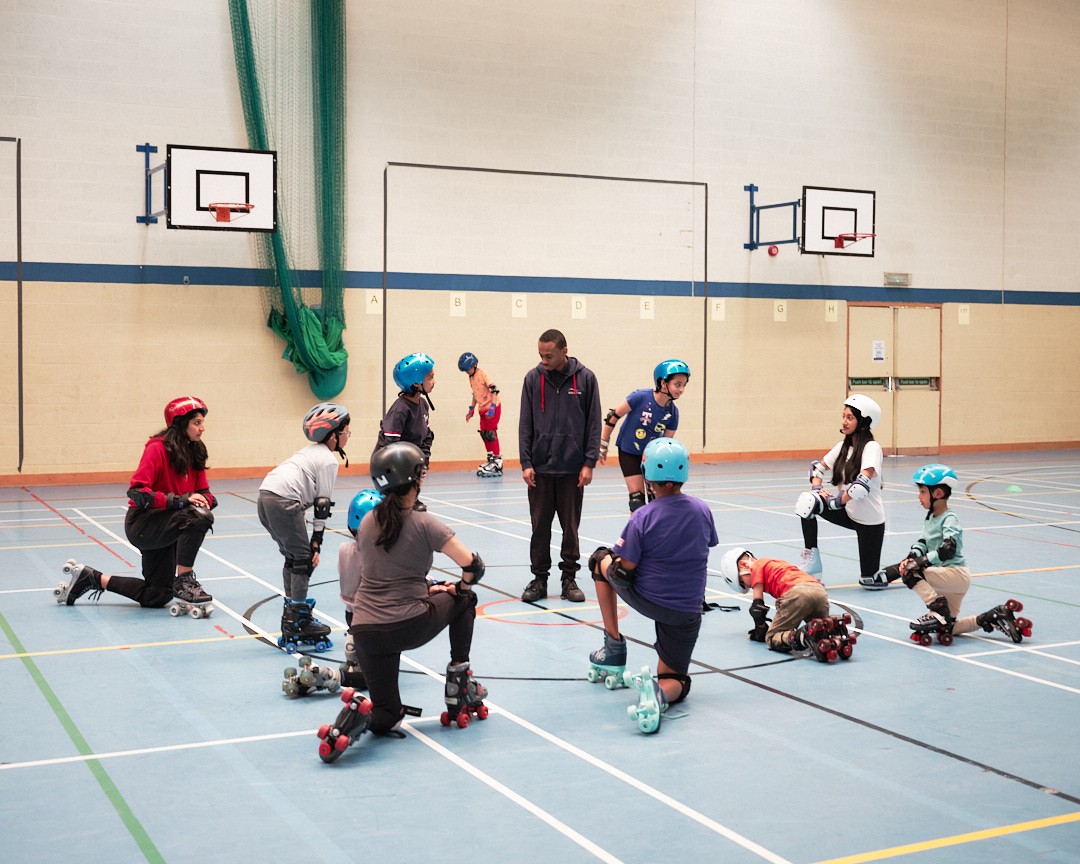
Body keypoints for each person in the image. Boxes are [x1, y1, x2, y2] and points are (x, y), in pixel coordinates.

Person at [316, 442, 489, 763]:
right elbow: (473, 567)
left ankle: (352, 721)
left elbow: (386, 573)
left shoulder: (367, 523)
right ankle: (459, 681)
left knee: (387, 716)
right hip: (407, 625)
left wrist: (426, 589)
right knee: (466, 599)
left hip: (365, 631)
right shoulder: (425, 524)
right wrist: (457, 588)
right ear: (416, 478)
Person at [586, 438, 717, 734]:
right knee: (676, 679)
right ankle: (657, 695)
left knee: (601, 562)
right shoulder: (702, 509)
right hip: (687, 611)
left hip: (651, 599)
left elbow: (624, 569)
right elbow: (705, 544)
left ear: (648, 477)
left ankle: (614, 649)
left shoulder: (644, 516)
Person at [55, 396, 216, 613]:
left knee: (156, 596)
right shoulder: (157, 449)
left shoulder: (195, 450)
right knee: (197, 515)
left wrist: (205, 499)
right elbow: (137, 491)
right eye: (197, 422)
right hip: (144, 524)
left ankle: (91, 578)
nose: (202, 428)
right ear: (180, 423)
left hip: (171, 522)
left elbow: (204, 491)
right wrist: (180, 501)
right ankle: (185, 581)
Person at [861, 464, 1034, 645]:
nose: (919, 497)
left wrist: (920, 562)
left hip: (955, 574)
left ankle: (938, 608)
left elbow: (948, 548)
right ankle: (992, 616)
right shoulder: (931, 518)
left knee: (912, 573)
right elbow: (923, 543)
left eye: (922, 492)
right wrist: (910, 558)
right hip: (949, 579)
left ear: (937, 494)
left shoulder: (950, 518)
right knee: (948, 627)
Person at [259, 402, 351, 653]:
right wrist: (316, 543)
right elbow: (322, 506)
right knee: (302, 561)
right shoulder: (327, 461)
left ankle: (292, 615)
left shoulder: (309, 452)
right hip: (283, 501)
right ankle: (298, 620)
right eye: (346, 431)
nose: (347, 436)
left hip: (265, 497)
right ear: (333, 435)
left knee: (293, 559)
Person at [518, 329, 602, 603]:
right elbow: (525, 423)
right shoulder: (532, 379)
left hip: (571, 470)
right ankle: (539, 579)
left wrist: (588, 462)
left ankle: (569, 579)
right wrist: (526, 462)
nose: (544, 360)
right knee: (539, 527)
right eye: (540, 355)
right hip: (540, 470)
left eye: (549, 355)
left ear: (564, 351)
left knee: (570, 527)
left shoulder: (586, 379)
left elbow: (593, 423)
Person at [281, 488, 382, 698]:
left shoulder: (345, 549)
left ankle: (351, 654)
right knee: (377, 674)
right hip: (374, 621)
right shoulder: (380, 556)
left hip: (352, 617)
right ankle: (333, 675)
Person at [795, 394, 885, 586]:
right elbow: (816, 469)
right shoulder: (842, 447)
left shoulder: (872, 447)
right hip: (848, 512)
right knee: (808, 502)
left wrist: (836, 502)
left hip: (870, 521)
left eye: (850, 417)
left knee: (869, 580)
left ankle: (906, 569)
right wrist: (818, 490)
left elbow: (860, 487)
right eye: (843, 416)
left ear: (863, 421)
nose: (844, 421)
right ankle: (813, 569)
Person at [719, 548, 856, 662]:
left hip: (797, 594)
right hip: (819, 591)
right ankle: (835, 630)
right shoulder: (778, 563)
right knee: (820, 627)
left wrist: (760, 628)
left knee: (773, 638)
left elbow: (757, 607)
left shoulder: (757, 566)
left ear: (743, 565)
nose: (747, 586)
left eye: (742, 582)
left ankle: (804, 637)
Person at [599, 359, 690, 512]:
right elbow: (613, 417)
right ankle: (635, 535)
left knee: (657, 501)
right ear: (662, 383)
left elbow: (666, 444)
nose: (681, 389)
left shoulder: (673, 413)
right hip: (629, 452)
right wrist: (603, 444)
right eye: (677, 384)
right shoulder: (640, 397)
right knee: (637, 501)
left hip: (650, 457)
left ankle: (657, 534)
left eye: (684, 385)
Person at [373, 352, 435, 511]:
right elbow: (390, 446)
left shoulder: (422, 404)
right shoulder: (400, 410)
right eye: (430, 377)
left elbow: (426, 435)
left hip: (407, 458)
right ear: (416, 384)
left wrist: (423, 459)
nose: (434, 381)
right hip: (388, 462)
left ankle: (411, 498)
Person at [459, 351, 503, 478]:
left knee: (491, 433)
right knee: (484, 434)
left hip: (492, 407)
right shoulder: (471, 377)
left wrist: (493, 407)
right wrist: (471, 409)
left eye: (468, 369)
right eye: (465, 371)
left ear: (475, 364)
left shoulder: (483, 374)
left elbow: (494, 389)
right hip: (482, 408)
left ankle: (497, 461)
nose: (467, 372)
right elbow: (475, 394)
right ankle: (490, 459)